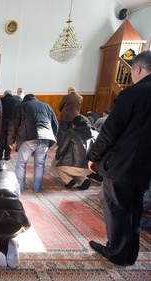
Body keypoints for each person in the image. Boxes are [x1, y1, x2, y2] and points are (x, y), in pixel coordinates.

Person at [87, 50, 151, 266]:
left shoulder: (133, 93)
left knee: (116, 210)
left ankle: (117, 252)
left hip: (123, 165)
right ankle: (129, 253)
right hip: (145, 167)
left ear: (138, 69)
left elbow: (110, 131)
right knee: (134, 209)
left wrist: (93, 157)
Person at [7, 94, 58, 193]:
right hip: (45, 139)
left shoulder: (21, 107)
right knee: (40, 165)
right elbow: (55, 124)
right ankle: (36, 189)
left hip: (28, 139)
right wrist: (51, 137)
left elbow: (13, 125)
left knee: (21, 164)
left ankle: (20, 189)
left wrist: (10, 141)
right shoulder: (47, 106)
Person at [52, 115, 99, 190]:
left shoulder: (71, 132)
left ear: (74, 124)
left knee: (55, 163)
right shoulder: (96, 133)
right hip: (89, 168)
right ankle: (83, 180)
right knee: (74, 169)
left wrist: (57, 158)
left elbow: (61, 150)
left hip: (72, 166)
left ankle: (68, 180)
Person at [0, 90, 20, 161]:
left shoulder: (1, 100)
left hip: (2, 123)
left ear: (4, 94)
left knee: (1, 139)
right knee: (10, 140)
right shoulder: (17, 101)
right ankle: (7, 156)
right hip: (13, 124)